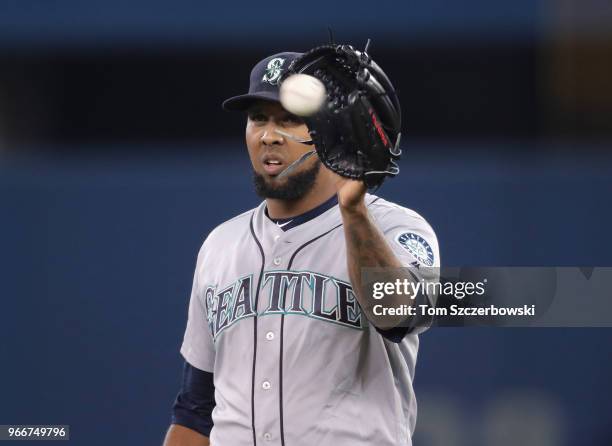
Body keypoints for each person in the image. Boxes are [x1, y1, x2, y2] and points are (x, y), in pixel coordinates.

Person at [162, 51, 440, 446]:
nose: (268, 135)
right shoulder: (220, 245)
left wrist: (354, 210)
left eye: (290, 118)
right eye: (258, 118)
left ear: (331, 129)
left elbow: (398, 315)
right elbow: (196, 409)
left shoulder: (399, 227)